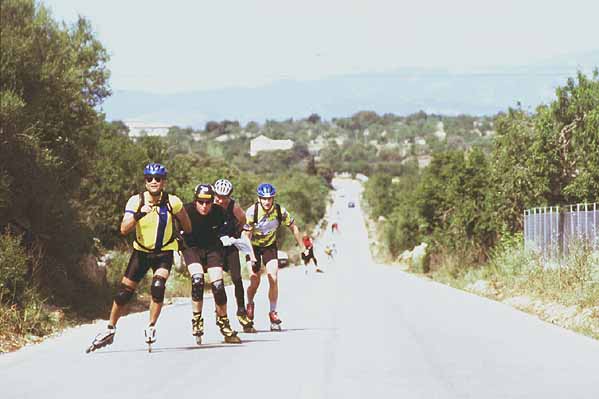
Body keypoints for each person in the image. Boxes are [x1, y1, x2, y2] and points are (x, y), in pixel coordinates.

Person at [86, 163, 192, 353]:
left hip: (164, 252)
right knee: (123, 293)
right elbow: (124, 229)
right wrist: (138, 214)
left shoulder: (172, 202)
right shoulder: (136, 201)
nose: (153, 182)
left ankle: (151, 326)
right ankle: (110, 329)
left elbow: (187, 224)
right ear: (145, 181)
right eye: (149, 179)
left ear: (164, 182)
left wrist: (182, 237)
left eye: (157, 179)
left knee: (158, 287)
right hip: (141, 253)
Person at [182, 183, 241, 344]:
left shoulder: (219, 212)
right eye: (201, 202)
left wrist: (232, 238)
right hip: (192, 248)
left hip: (212, 248)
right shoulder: (186, 211)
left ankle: (223, 322)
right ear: (195, 200)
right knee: (198, 280)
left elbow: (235, 226)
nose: (204, 206)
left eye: (208, 202)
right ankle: (197, 319)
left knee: (218, 286)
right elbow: (173, 229)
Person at [243, 183, 304, 331]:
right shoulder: (252, 212)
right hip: (253, 247)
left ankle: (273, 312)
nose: (267, 202)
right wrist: (251, 256)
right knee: (254, 280)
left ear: (273, 198)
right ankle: (249, 305)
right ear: (259, 199)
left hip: (269, 246)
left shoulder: (279, 211)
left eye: (269, 198)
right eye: (264, 199)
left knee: (273, 277)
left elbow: (293, 227)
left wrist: (302, 246)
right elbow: (246, 235)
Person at [213, 178, 256, 333]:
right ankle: (219, 312)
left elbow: (245, 222)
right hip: (214, 247)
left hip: (230, 245)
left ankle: (241, 311)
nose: (220, 200)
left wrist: (238, 236)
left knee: (237, 279)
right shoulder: (208, 204)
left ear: (229, 196)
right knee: (217, 282)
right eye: (217, 196)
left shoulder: (234, 206)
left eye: (224, 197)